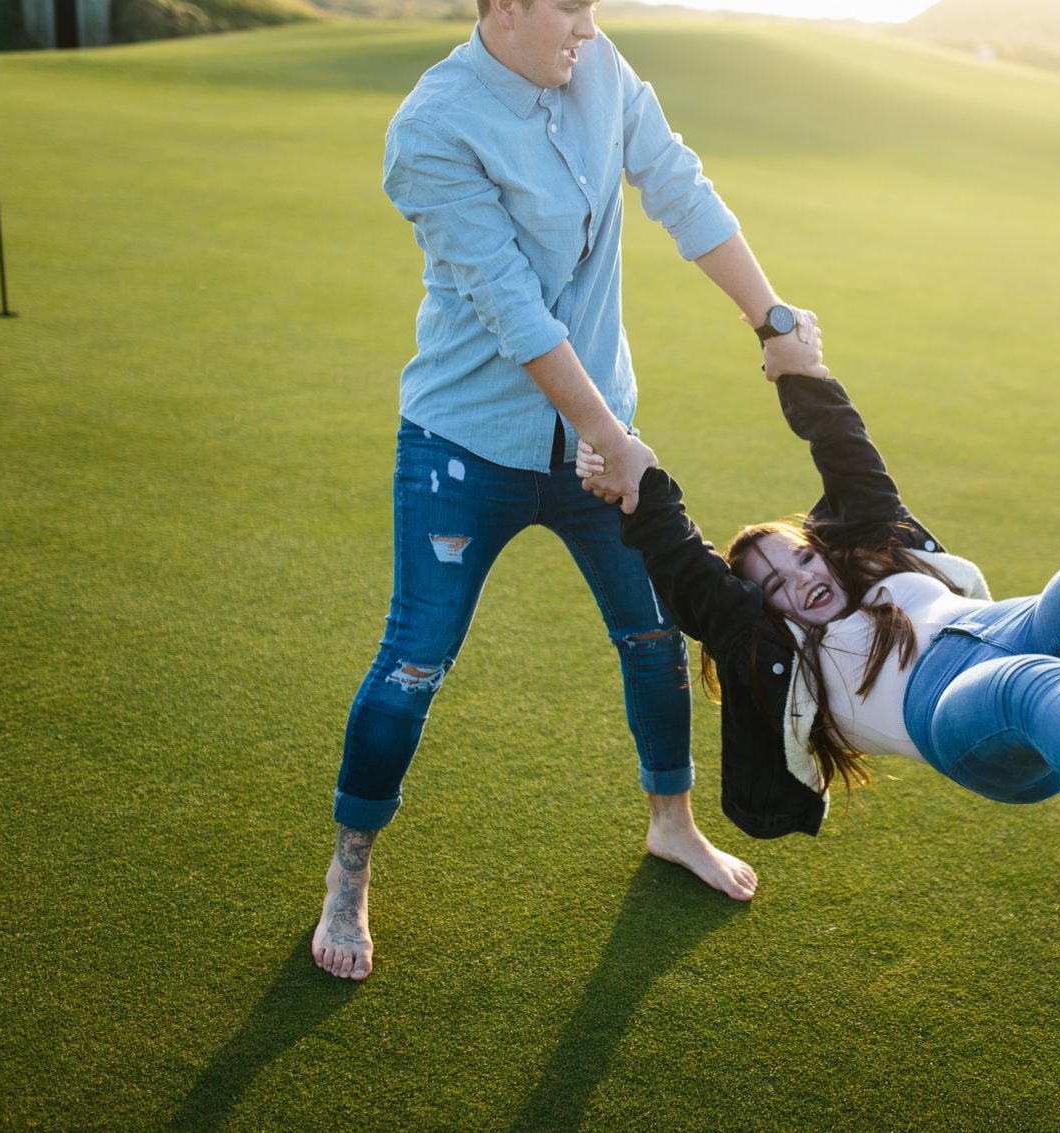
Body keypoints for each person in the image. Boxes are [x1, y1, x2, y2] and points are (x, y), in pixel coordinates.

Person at [312, 0, 825, 982]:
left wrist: (770, 317)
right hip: (464, 447)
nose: (586, 29)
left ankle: (670, 825)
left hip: (602, 439)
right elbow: (512, 307)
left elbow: (676, 184)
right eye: (569, 9)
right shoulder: (430, 128)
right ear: (501, 7)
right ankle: (347, 871)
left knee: (651, 638)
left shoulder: (597, 68)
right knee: (413, 661)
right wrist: (612, 440)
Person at [577, 368, 1060, 854]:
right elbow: (688, 568)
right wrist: (639, 483)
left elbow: (850, 460)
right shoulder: (785, 659)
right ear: (764, 611)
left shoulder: (876, 564)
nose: (801, 581)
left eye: (802, 559)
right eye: (774, 586)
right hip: (960, 711)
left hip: (1020, 625)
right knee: (1028, 683)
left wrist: (801, 372)